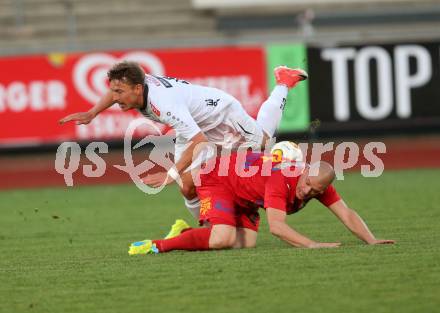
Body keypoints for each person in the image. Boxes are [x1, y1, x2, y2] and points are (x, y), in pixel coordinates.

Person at [59, 61, 308, 220]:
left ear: (137, 89)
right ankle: (211, 226)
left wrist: (170, 174)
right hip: (193, 127)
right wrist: (92, 113)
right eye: (113, 91)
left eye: (119, 92)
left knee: (263, 142)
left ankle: (283, 82)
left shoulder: (163, 105)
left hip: (222, 113)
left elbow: (199, 141)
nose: (115, 97)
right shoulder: (135, 87)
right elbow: (116, 91)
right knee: (187, 186)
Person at [128, 152, 395, 254]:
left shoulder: (318, 183)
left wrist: (371, 239)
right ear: (303, 173)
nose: (307, 192)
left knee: (245, 243)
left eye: (315, 191)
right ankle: (156, 245)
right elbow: (277, 228)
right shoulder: (283, 179)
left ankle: (187, 234)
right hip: (218, 179)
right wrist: (312, 245)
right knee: (221, 239)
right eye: (307, 185)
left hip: (246, 195)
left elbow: (346, 213)